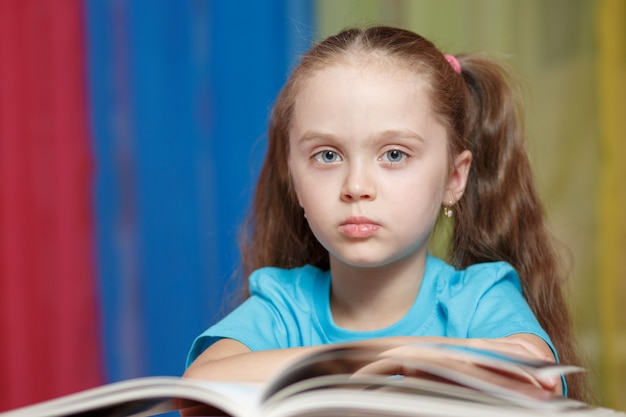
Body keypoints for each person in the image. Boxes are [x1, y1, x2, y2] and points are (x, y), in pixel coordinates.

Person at [184, 26, 588, 401]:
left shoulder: (478, 300)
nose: (356, 186)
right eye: (327, 155)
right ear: (294, 180)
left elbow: (540, 383)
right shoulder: (283, 305)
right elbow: (199, 388)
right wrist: (398, 353)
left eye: (394, 154)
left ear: (454, 177)